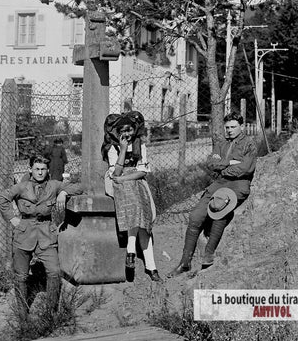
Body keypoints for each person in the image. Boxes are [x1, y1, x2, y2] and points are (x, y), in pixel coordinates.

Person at [168, 111, 258, 277]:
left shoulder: (249, 144)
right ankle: (184, 262)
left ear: (242, 127)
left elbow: (245, 168)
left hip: (238, 184)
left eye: (233, 127)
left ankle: (208, 256)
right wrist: (229, 162)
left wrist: (223, 167)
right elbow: (210, 163)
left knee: (218, 209)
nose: (229, 130)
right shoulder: (221, 143)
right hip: (219, 183)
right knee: (195, 216)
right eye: (227, 127)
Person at [0, 154, 83, 316]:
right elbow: (2, 198)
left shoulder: (54, 185)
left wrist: (63, 192)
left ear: (48, 170)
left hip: (46, 234)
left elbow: (79, 187)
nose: (40, 173)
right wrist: (12, 219)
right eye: (37, 169)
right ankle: (22, 314)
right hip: (23, 232)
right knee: (21, 276)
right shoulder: (22, 187)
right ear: (30, 170)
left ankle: (50, 313)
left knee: (55, 272)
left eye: (43, 169)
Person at [102, 111, 161, 282]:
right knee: (135, 205)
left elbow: (142, 171)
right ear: (117, 132)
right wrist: (122, 150)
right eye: (123, 131)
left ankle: (136, 255)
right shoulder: (112, 147)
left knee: (143, 218)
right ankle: (148, 264)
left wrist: (125, 178)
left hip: (134, 180)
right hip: (117, 183)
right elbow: (116, 173)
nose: (127, 134)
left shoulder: (140, 145)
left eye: (129, 130)